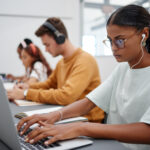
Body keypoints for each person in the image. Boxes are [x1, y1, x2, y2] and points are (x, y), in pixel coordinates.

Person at [17, 5, 150, 150]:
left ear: (144, 34)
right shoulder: (122, 68)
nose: (113, 47)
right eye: (110, 41)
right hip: (112, 144)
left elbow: (147, 131)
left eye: (120, 40)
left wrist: (81, 128)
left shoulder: (86, 60)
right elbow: (88, 102)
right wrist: (54, 115)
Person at [7, 17, 104, 122]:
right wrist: (27, 86)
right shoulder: (61, 63)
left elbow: (66, 96)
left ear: (60, 38)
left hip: (87, 122)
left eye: (47, 45)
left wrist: (26, 94)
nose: (46, 50)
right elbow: (48, 85)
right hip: (69, 117)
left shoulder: (85, 60)